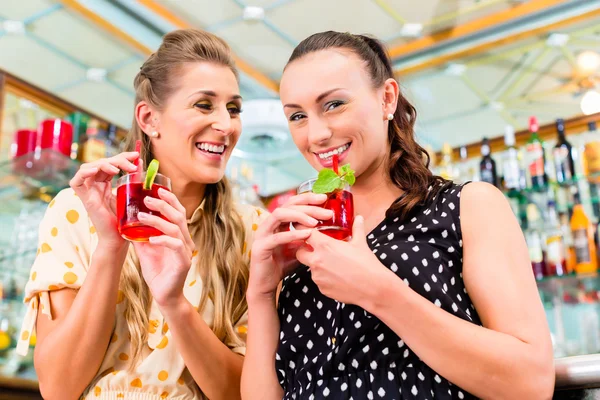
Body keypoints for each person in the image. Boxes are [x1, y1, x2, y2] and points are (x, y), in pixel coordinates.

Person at [242, 31, 554, 400]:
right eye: (297, 116)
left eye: (334, 104)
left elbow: (531, 385)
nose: (316, 134)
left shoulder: (467, 206)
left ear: (386, 98)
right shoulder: (304, 239)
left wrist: (380, 291)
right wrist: (261, 294)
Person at [17, 28, 266, 400]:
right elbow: (57, 388)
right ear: (149, 119)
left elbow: (245, 393)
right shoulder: (76, 210)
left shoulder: (253, 229)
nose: (226, 125)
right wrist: (111, 245)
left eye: (233, 108)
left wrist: (176, 305)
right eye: (204, 104)